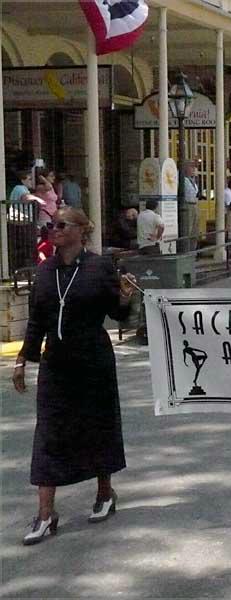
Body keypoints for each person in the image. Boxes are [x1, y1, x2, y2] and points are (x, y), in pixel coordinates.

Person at [12, 207, 138, 545]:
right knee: (49, 432)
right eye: (52, 225)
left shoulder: (99, 267)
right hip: (56, 363)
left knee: (98, 426)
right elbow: (37, 319)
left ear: (81, 231)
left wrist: (126, 298)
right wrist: (24, 357)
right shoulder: (45, 271)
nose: (54, 229)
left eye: (62, 225)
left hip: (93, 360)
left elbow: (117, 313)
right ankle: (45, 514)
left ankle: (105, 492)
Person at [181, 162, 202, 251]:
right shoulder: (183, 180)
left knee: (195, 230)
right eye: (192, 168)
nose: (194, 170)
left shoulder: (193, 180)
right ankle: (187, 250)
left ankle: (193, 250)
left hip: (195, 204)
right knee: (188, 229)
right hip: (187, 205)